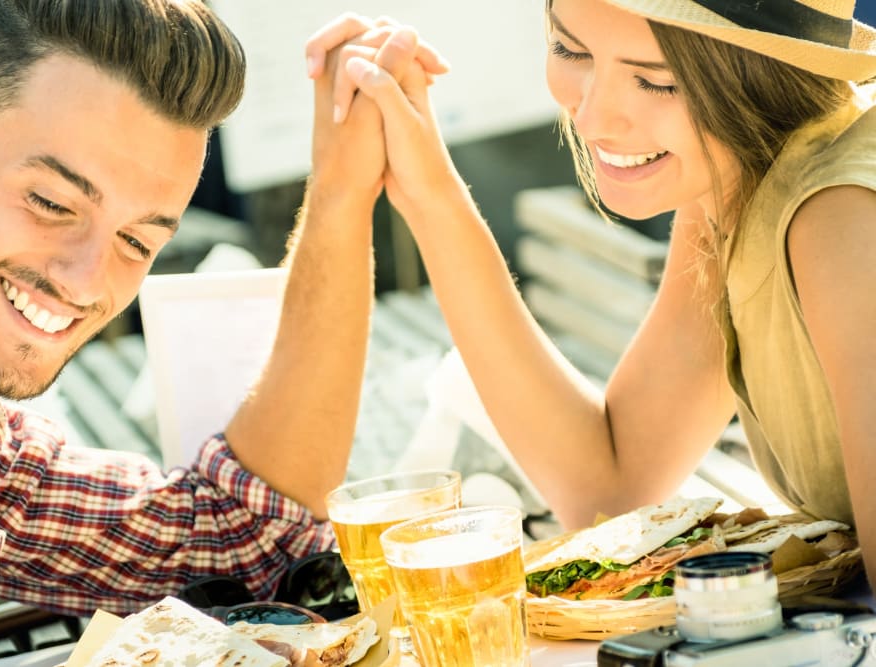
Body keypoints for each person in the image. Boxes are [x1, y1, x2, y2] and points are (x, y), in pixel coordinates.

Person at [0, 0, 445, 663]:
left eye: (136, 240)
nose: (87, 281)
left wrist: (342, 190)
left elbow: (245, 534)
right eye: (52, 203)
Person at [306, 0, 876, 587]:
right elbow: (611, 484)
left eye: (658, 81)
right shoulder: (731, 182)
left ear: (766, 78)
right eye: (570, 50)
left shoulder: (839, 220)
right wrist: (428, 192)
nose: (597, 117)